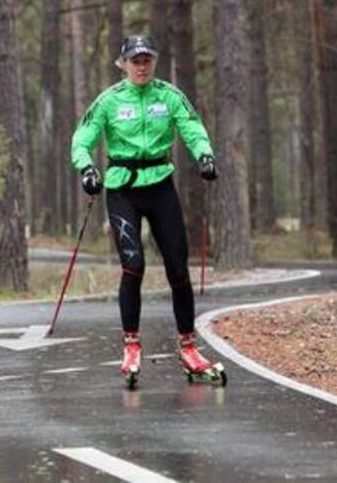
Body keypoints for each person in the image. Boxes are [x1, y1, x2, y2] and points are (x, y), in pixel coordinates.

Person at [71, 35, 223, 387]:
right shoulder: (109, 100)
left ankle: (188, 347)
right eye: (135, 60)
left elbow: (192, 126)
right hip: (122, 188)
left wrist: (205, 154)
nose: (141, 66)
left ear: (154, 62)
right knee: (134, 264)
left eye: (147, 60)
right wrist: (86, 168)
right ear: (122, 63)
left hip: (160, 185)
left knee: (176, 266)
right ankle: (131, 346)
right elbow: (83, 137)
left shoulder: (168, 95)